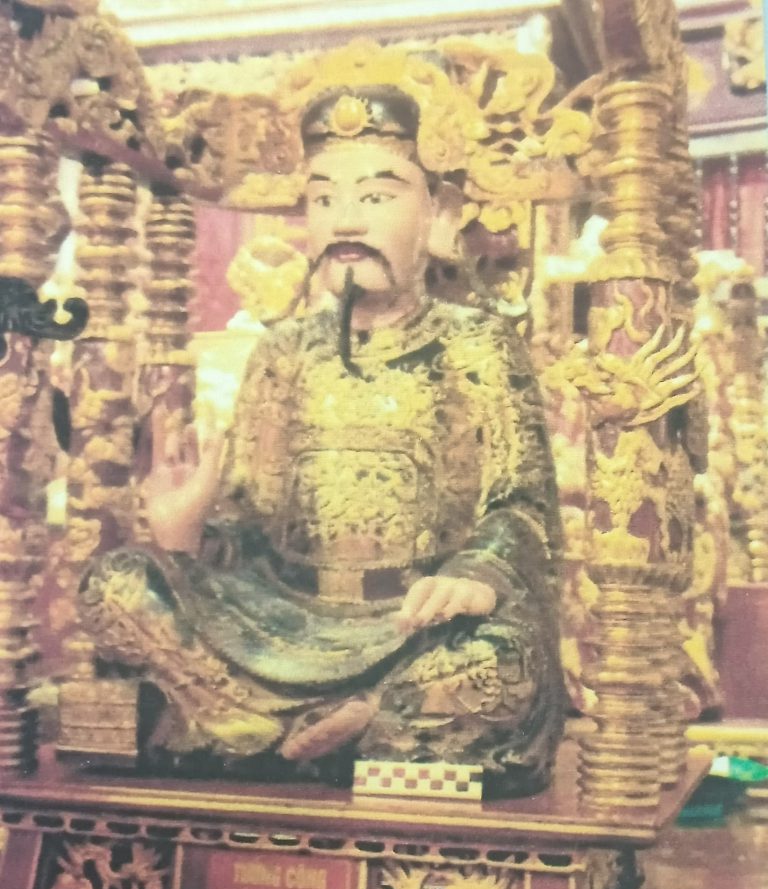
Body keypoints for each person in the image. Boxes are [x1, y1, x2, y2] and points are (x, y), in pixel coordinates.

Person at [80, 82, 567, 795]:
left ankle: (259, 728)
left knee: (499, 660)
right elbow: (250, 529)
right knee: (117, 585)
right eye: (324, 198)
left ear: (438, 214)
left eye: (376, 196)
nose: (347, 219)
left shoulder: (477, 344)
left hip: (410, 627)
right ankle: (366, 732)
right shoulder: (282, 352)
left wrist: (473, 576)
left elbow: (520, 504)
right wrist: (185, 531)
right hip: (282, 623)